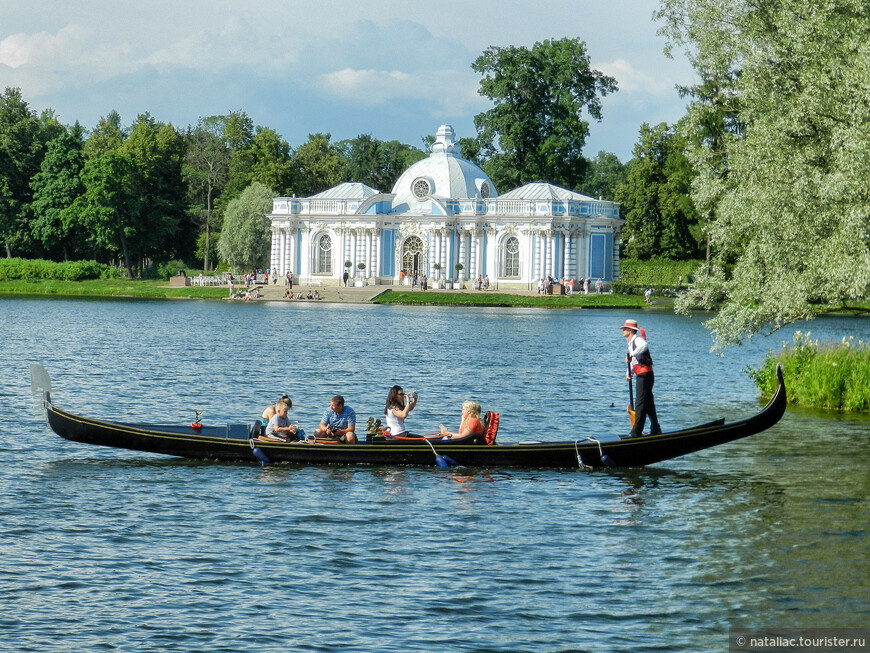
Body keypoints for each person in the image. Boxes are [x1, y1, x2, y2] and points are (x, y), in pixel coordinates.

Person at [621, 319, 662, 439]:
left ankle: (636, 432)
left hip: (645, 376)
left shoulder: (638, 340)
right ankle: (655, 428)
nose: (623, 331)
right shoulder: (630, 343)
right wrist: (629, 372)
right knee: (648, 403)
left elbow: (644, 346)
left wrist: (631, 354)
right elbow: (634, 361)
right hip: (642, 375)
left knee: (640, 404)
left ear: (630, 330)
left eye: (624, 329)